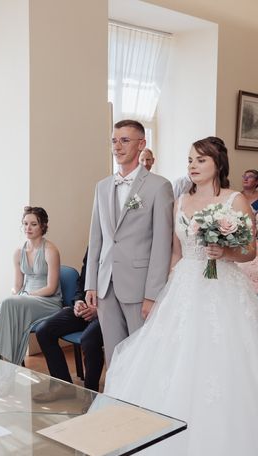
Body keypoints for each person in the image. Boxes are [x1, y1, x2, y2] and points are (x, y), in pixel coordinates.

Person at [98, 136, 258, 456]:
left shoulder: (234, 200)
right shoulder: (181, 199)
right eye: (189, 159)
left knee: (227, 366)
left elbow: (249, 250)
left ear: (217, 163)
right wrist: (165, 291)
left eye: (200, 160)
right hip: (185, 286)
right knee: (171, 365)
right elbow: (175, 251)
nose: (192, 165)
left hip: (223, 289)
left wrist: (225, 252)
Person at [85, 119, 174, 368]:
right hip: (105, 285)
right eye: (114, 140)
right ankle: (116, 404)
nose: (117, 146)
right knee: (114, 356)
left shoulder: (159, 186)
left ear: (141, 144)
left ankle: (141, 406)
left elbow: (161, 243)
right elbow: (96, 238)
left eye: (125, 140)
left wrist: (153, 294)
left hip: (139, 285)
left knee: (142, 355)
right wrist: (91, 283)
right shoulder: (102, 186)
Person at [0, 206, 62, 365]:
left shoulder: (51, 250)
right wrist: (17, 294)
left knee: (8, 303)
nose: (28, 228)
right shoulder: (18, 252)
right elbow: (17, 285)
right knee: (7, 305)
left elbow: (51, 288)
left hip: (48, 301)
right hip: (26, 298)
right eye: (25, 223)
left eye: (33, 224)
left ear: (43, 226)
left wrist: (26, 296)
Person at [33, 249, 104, 400]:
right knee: (44, 330)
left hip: (109, 312)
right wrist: (78, 301)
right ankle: (63, 387)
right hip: (85, 305)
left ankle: (91, 396)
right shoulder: (93, 243)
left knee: (89, 339)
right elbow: (83, 280)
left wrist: (99, 310)